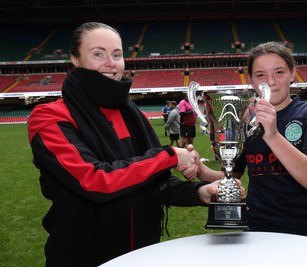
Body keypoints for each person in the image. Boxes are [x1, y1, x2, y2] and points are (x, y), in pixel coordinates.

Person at [27, 22, 243, 267]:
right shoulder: (49, 117)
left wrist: (198, 192)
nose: (111, 63)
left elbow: (153, 184)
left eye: (117, 55)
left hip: (143, 254)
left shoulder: (131, 113)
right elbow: (94, 180)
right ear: (75, 59)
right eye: (98, 54)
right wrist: (169, 156)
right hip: (81, 255)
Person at [196, 41, 307, 241]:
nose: (270, 81)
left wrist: (272, 135)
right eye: (260, 75)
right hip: (258, 230)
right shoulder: (245, 120)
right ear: (251, 80)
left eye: (279, 72)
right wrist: (200, 171)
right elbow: (231, 176)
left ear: (292, 74)